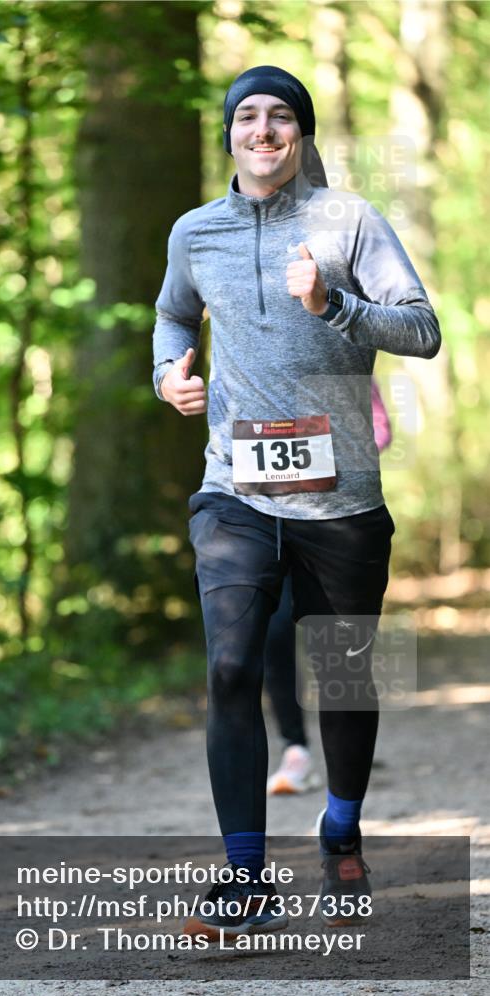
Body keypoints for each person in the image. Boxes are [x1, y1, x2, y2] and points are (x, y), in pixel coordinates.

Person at [152, 65, 440, 940]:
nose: (264, 130)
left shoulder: (348, 220)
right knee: (232, 669)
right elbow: (172, 315)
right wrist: (170, 373)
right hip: (233, 493)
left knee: (345, 677)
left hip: (342, 497)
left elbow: (421, 329)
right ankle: (244, 876)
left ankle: (341, 828)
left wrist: (334, 305)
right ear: (229, 135)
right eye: (248, 116)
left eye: (281, 116)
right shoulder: (194, 231)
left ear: (301, 134)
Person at [265, 378, 392, 795]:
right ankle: (295, 748)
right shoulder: (254, 367)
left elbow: (381, 429)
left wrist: (335, 449)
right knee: (276, 629)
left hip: (331, 520)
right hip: (268, 519)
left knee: (333, 646)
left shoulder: (341, 365)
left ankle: (344, 750)